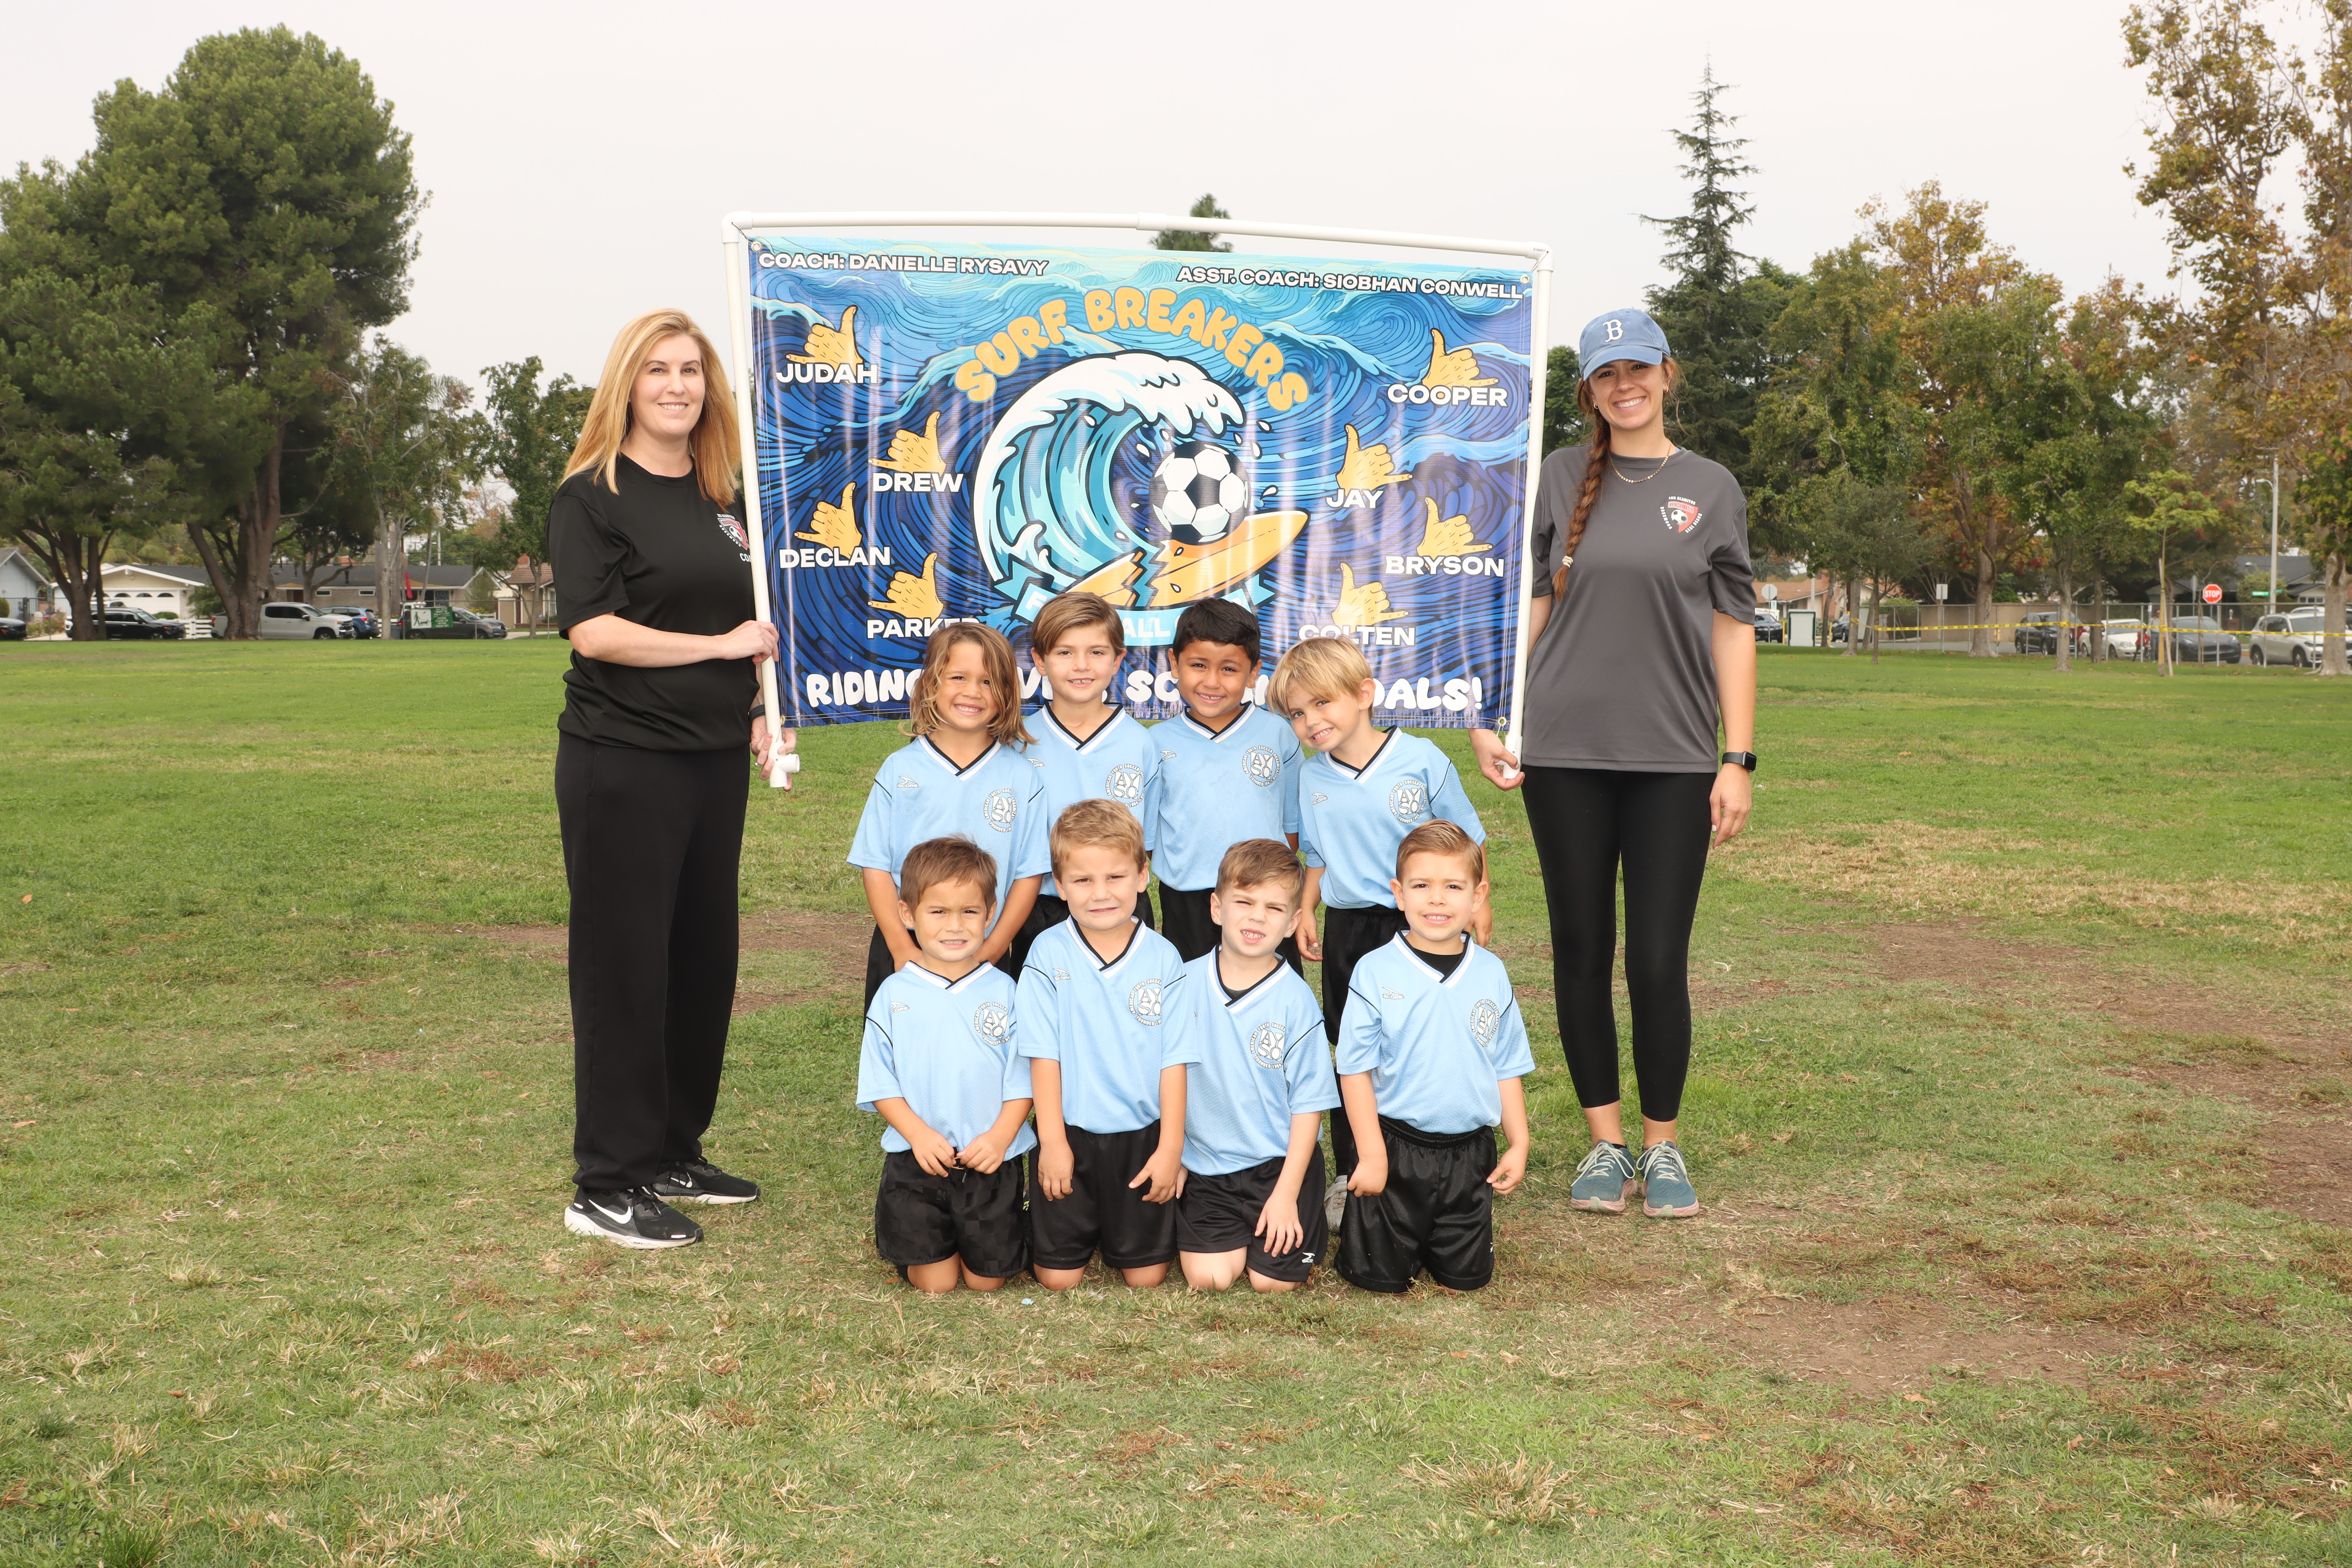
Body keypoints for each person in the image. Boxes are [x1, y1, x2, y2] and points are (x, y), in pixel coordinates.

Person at [1467, 306, 1757, 1221]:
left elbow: (1734, 627)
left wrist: (1737, 758)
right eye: (1606, 374)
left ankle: (1662, 1147)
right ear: (1589, 390)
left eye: (1638, 368)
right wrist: (1494, 716)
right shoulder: (1558, 475)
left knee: (1659, 959)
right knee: (1582, 951)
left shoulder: (1711, 487)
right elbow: (1532, 605)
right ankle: (1605, 1145)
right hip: (1564, 752)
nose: (1624, 386)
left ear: (1667, 373)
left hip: (1674, 757)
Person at [551, 308, 791, 1250]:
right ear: (628, 384)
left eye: (691, 370)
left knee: (701, 963)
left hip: (711, 763)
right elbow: (596, 632)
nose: (677, 386)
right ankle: (607, 1184)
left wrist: (758, 707)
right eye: (658, 369)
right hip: (624, 762)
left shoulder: (723, 498)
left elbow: (758, 627)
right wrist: (721, 647)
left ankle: (671, 1150)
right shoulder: (591, 496)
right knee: (627, 969)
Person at [1270, 635, 1488, 1187]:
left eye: (1322, 703)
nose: (1311, 721)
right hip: (1350, 930)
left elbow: (1467, 839)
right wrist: (1307, 908)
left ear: (1364, 694)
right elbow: (1317, 856)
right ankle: (1354, 1173)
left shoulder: (1422, 758)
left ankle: (1436, 1161)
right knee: (1355, 1051)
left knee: (1426, 1039)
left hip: (1421, 924)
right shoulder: (1312, 776)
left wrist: (1479, 902)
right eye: (1297, 713)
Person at [1333, 822, 1532, 1294]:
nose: (1437, 900)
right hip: (1395, 1148)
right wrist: (1372, 1154)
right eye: (1422, 886)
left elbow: (1505, 1065)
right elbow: (1354, 1070)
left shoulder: (1492, 973)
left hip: (1470, 1154)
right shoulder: (1374, 971)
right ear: (1399, 894)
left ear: (1478, 896)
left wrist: (1519, 1142)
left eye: (1453, 887)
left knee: (1465, 1282)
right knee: (1379, 1280)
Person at [1019, 800, 1194, 1290]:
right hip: (1070, 1133)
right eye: (1083, 880)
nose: (1101, 893)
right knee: (1057, 1278)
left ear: (1142, 876)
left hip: (1142, 1137)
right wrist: (1052, 1142)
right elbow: (1043, 1056)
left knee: (1147, 1276)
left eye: (1115, 877)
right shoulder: (1046, 953)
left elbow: (1175, 1061)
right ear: (1059, 885)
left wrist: (1171, 1147)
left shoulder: (1164, 958)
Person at [856, 836, 1036, 1293]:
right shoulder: (894, 994)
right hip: (919, 1160)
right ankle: (933, 1240)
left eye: (969, 911)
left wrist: (1000, 1137)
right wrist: (918, 1135)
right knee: (936, 1283)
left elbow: (1025, 1078)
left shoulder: (1007, 991)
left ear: (990, 913)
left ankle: (973, 1237)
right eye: (938, 911)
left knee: (986, 1283)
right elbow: (880, 1083)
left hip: (990, 1159)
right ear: (907, 914)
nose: (955, 926)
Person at [849, 623, 1047, 1006]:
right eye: (959, 677)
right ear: (930, 684)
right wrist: (901, 948)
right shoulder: (899, 770)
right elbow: (875, 866)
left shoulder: (1022, 777)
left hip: (982, 948)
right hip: (906, 946)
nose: (973, 691)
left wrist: (992, 950)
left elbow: (1028, 875)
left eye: (988, 681)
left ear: (1008, 692)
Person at [1171, 840, 1338, 1293]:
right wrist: (1175, 1152)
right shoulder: (1182, 983)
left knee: (1271, 1284)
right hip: (1209, 1165)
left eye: (1274, 908)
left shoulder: (1297, 1002)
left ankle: (1298, 1211)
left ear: (1293, 923)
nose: (1257, 917)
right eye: (1244, 902)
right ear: (1217, 908)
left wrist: (1286, 1194)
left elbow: (1309, 1106)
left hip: (1279, 1166)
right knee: (1209, 1279)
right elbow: (1166, 1078)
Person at [1007, 591, 1162, 974]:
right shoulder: (1018, 744)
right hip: (1041, 907)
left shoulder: (1140, 743)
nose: (1081, 665)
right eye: (1065, 652)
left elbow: (1147, 842)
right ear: (1040, 661)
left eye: (1096, 652)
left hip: (1121, 906)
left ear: (1118, 660)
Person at [1150, 600, 1303, 966]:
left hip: (1263, 895)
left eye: (1229, 669)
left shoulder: (1277, 734)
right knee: (1192, 991)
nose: (1212, 682)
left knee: (1269, 987)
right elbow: (1150, 837)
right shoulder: (1155, 743)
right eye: (1198, 665)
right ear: (1175, 664)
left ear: (1254, 673)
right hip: (1187, 898)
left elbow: (1292, 826)